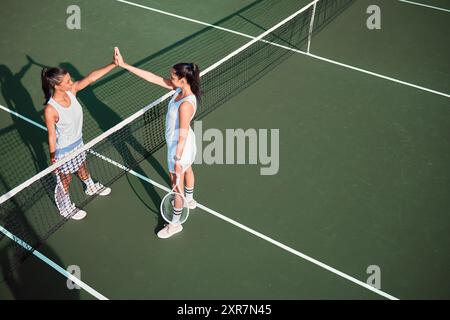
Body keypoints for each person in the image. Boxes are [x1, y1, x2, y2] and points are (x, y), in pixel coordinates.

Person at [114, 47, 200, 239]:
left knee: (175, 188)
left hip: (180, 147)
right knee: (188, 171)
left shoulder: (186, 103)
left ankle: (175, 224)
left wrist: (177, 156)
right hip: (184, 143)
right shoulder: (180, 88)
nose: (170, 78)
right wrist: (124, 65)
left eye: (173, 76)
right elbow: (152, 78)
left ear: (183, 79)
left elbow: (183, 133)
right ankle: (191, 199)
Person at [42, 58, 116, 220]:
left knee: (82, 166)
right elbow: (52, 135)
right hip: (64, 150)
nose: (71, 82)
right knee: (65, 180)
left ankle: (90, 186)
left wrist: (113, 64)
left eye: (70, 79)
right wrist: (53, 158)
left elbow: (90, 78)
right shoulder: (51, 109)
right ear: (57, 86)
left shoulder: (72, 91)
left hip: (78, 143)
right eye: (67, 81)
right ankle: (65, 206)